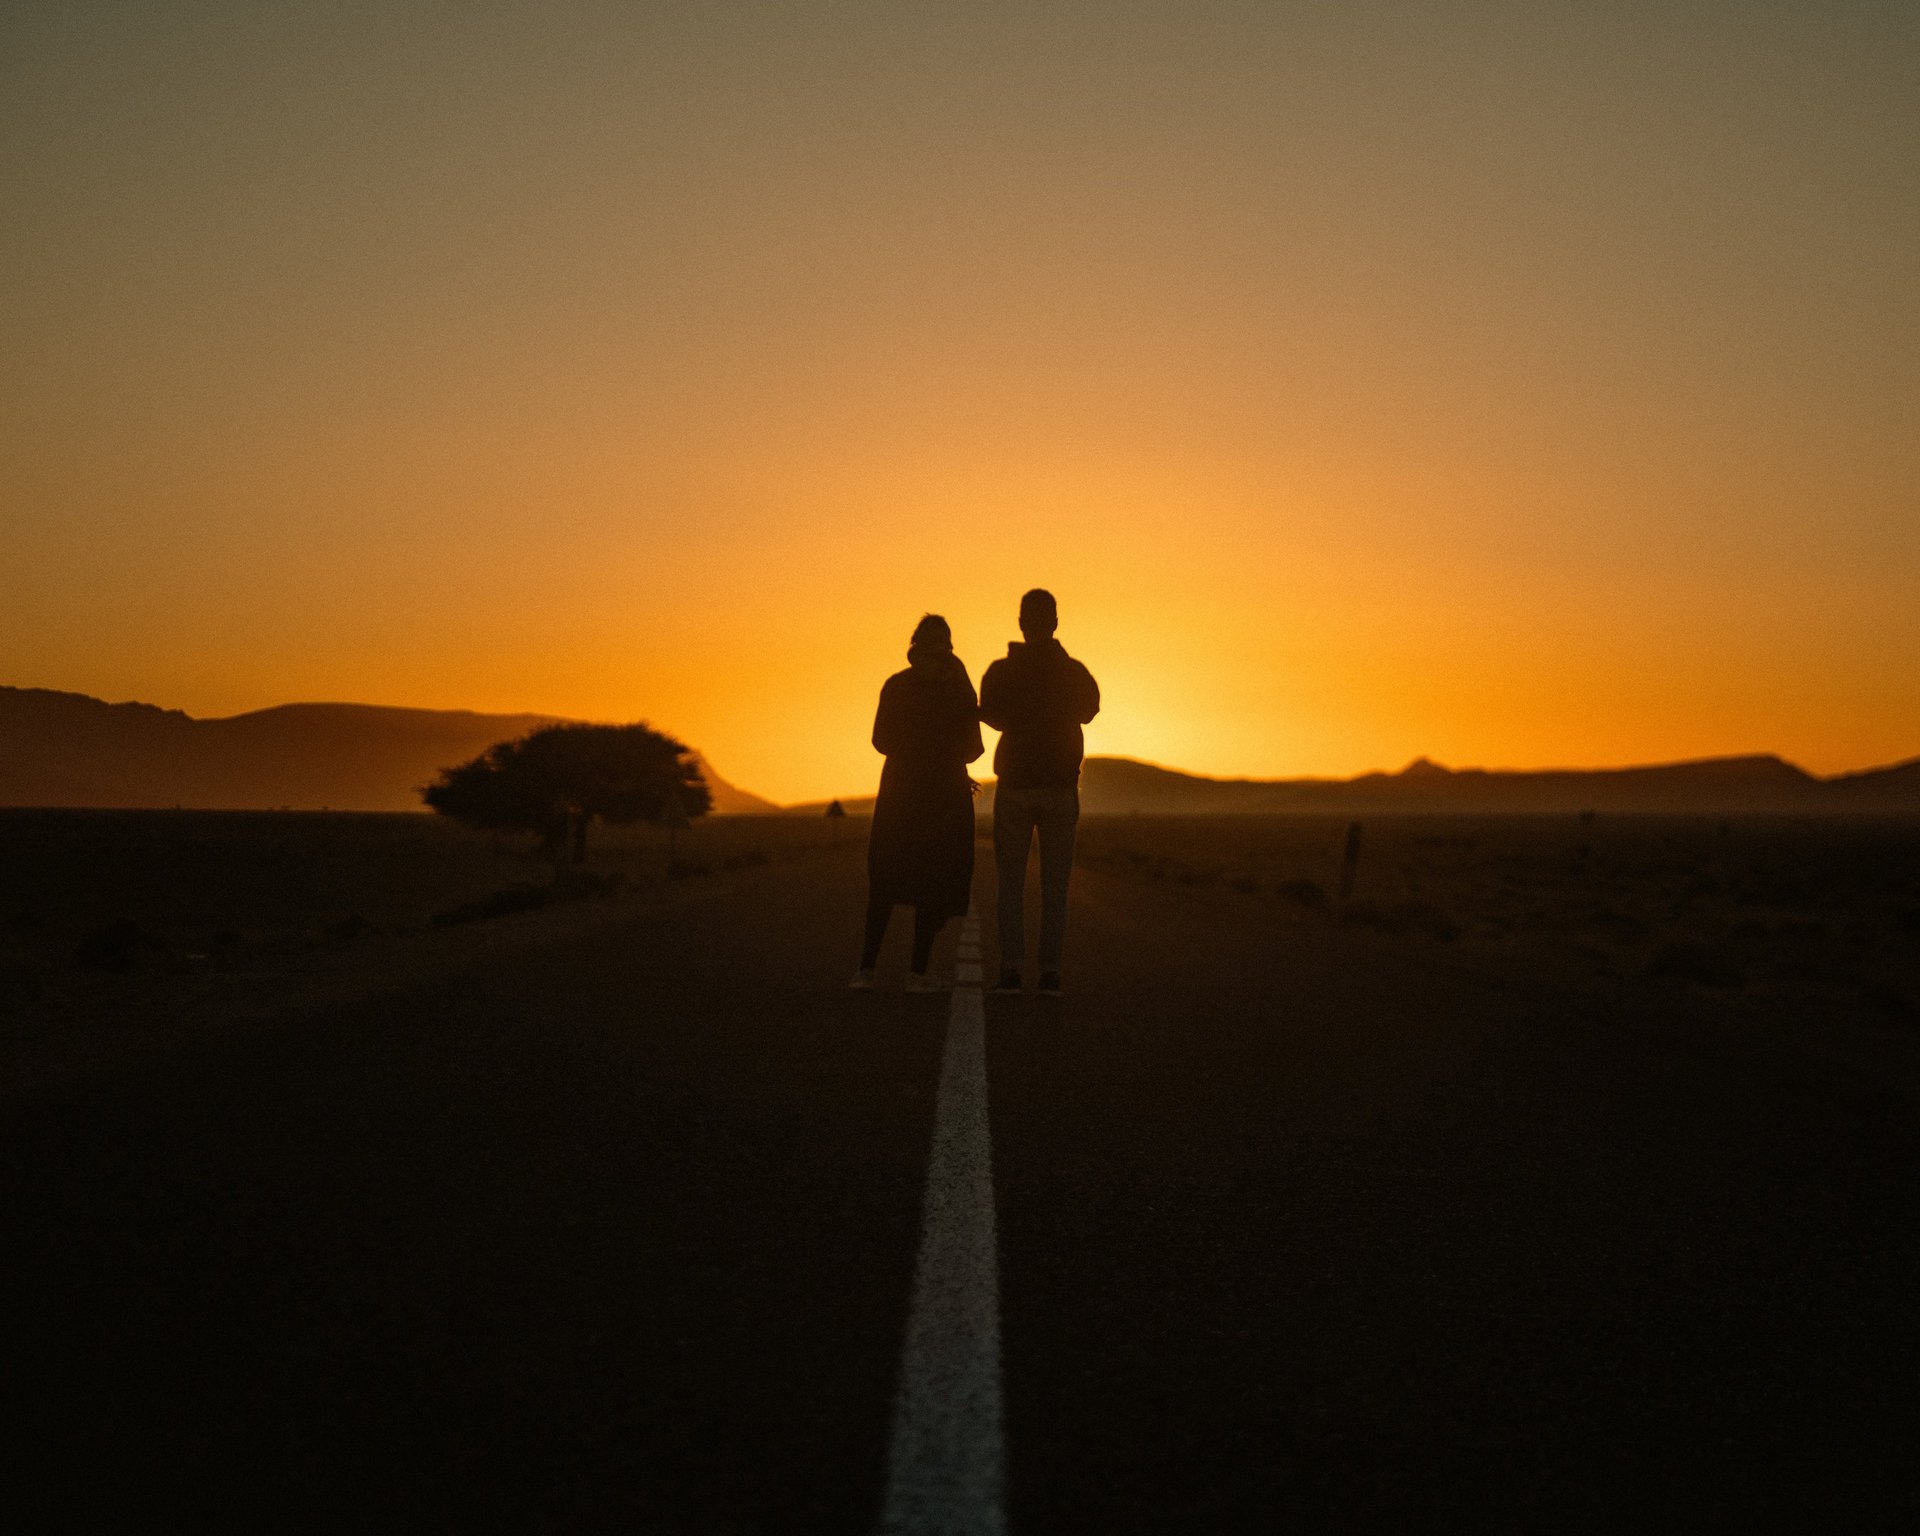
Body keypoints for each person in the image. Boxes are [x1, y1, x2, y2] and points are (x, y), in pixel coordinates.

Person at [850, 614, 985, 992]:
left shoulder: (896, 685)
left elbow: (880, 740)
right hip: (942, 796)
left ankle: (866, 970)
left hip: (900, 793)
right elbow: (973, 750)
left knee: (885, 880)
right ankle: (918, 974)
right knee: (933, 880)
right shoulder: (956, 688)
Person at [979, 588, 1100, 996]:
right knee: (1055, 885)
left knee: (1011, 884)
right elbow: (1089, 710)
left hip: (1016, 784)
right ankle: (1049, 973)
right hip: (1058, 787)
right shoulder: (1074, 671)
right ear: (1054, 623)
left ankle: (1012, 971)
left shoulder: (1001, 671)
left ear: (1021, 623)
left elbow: (991, 714)